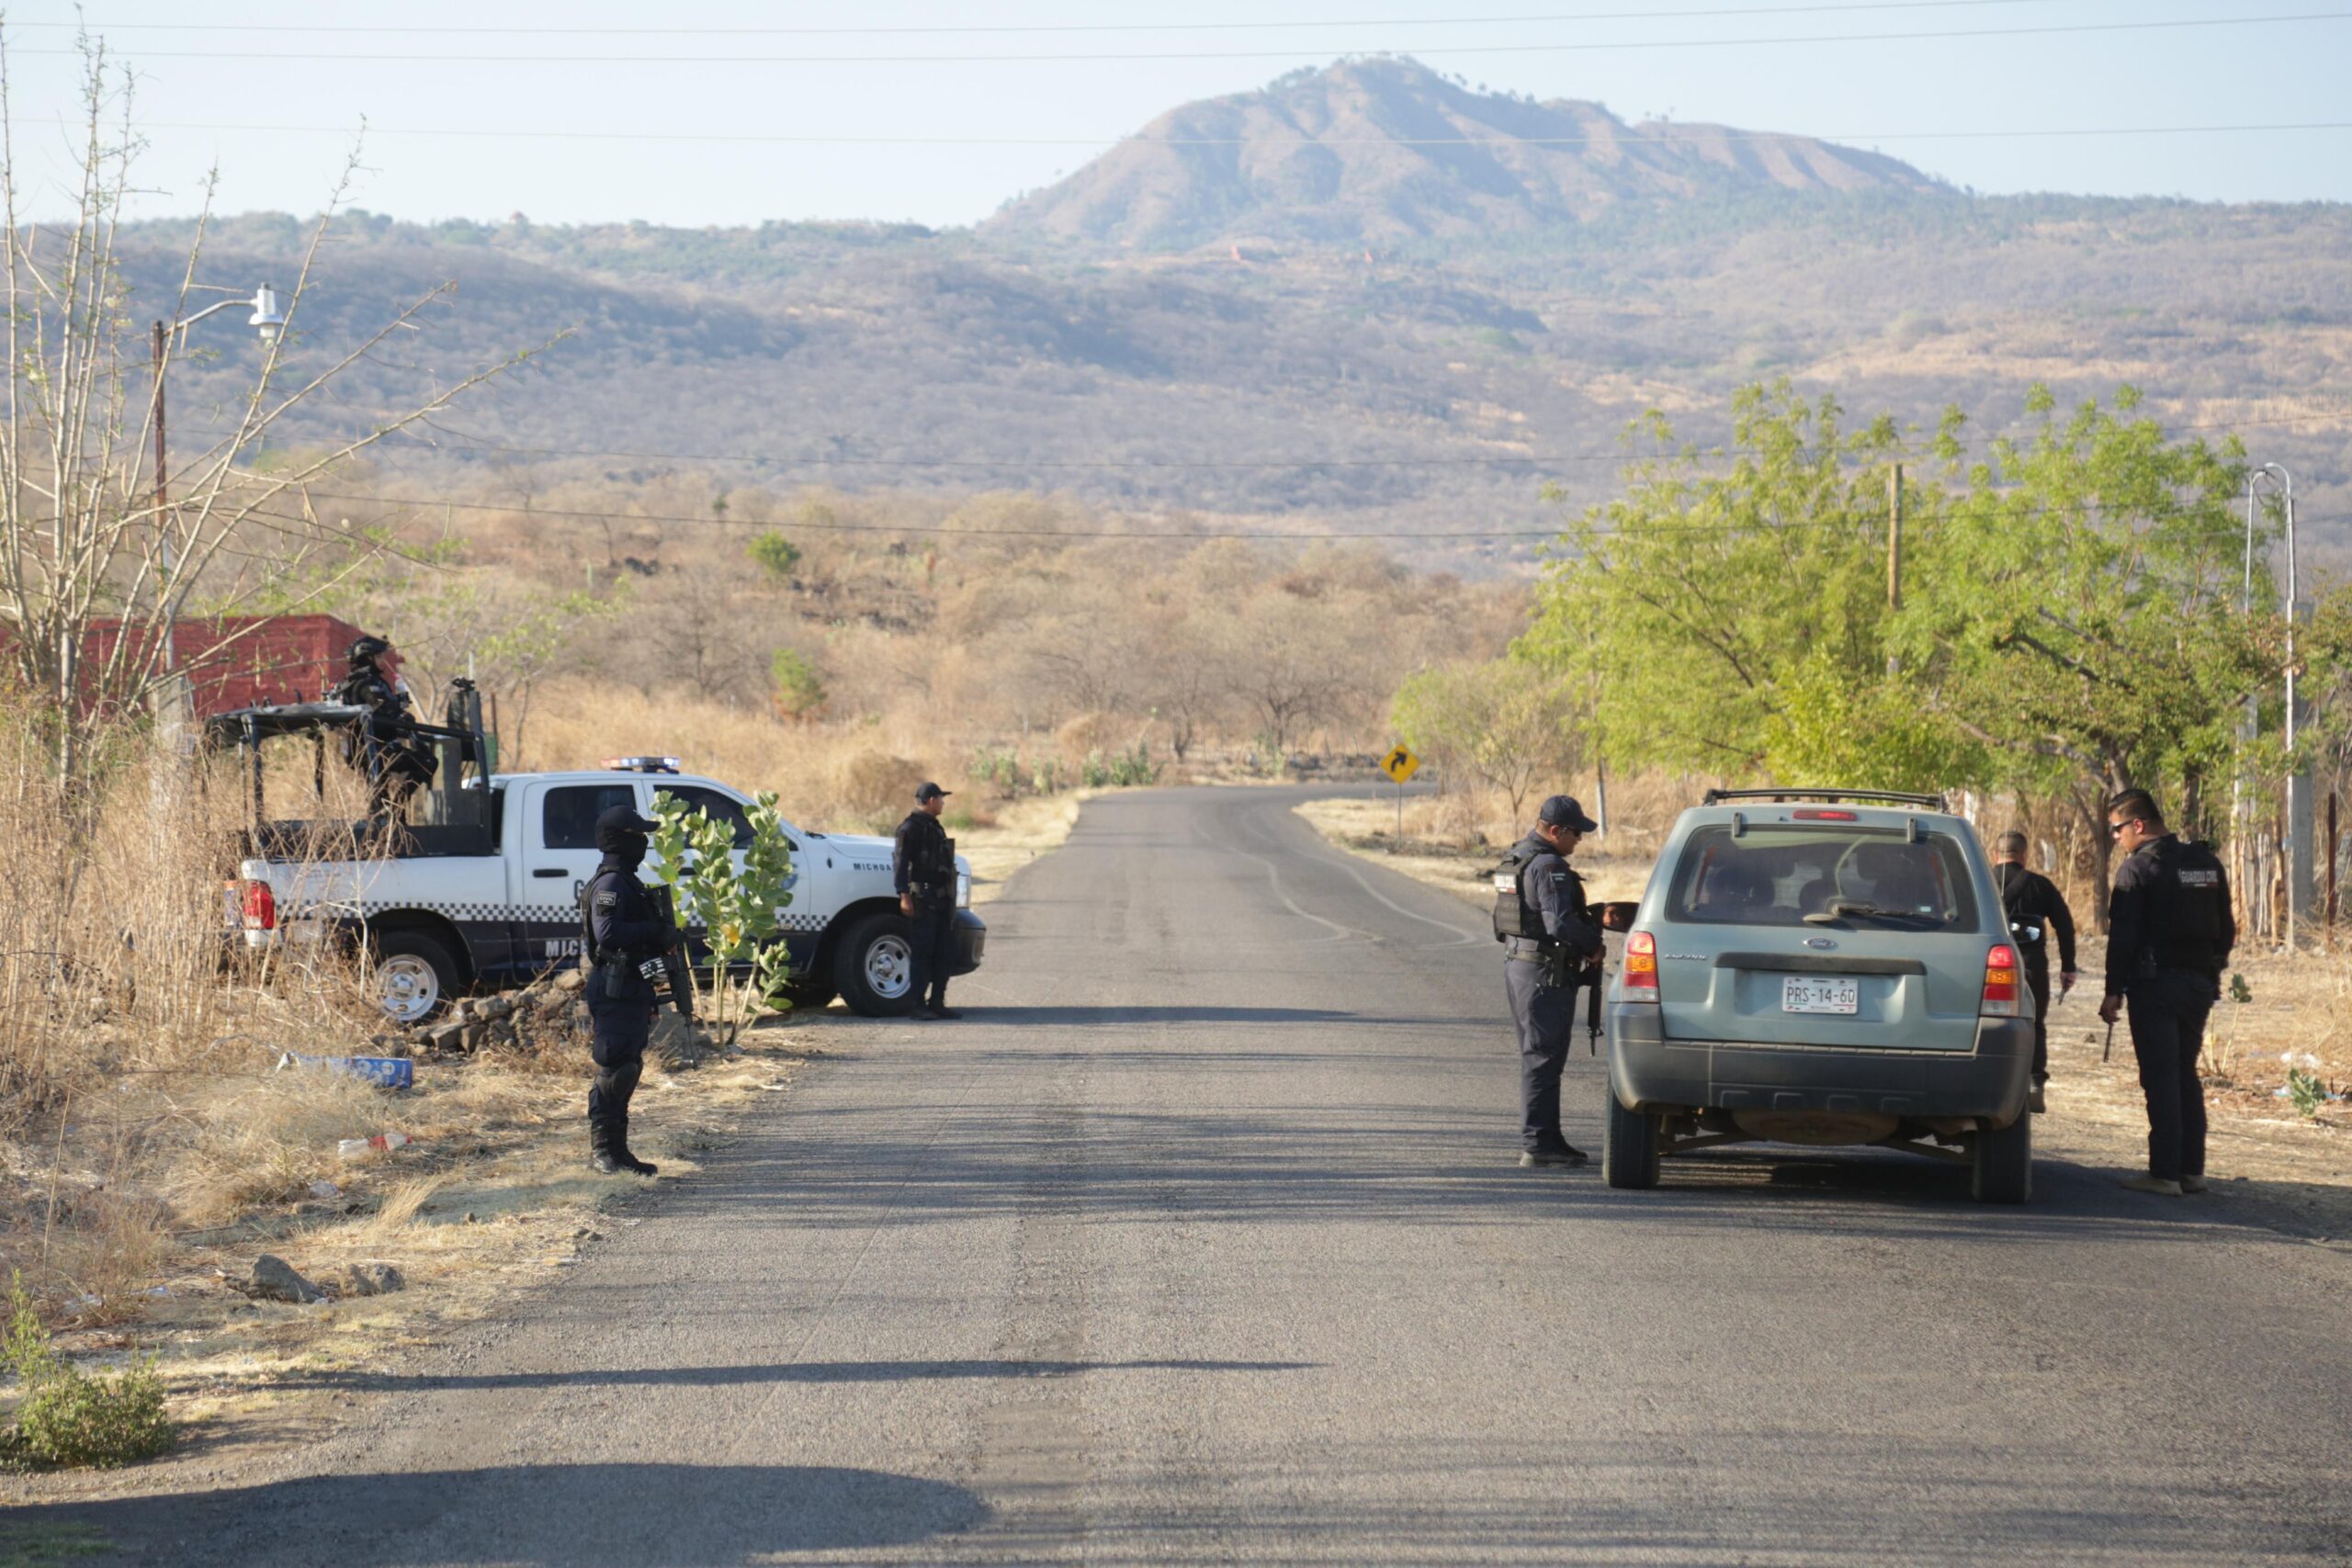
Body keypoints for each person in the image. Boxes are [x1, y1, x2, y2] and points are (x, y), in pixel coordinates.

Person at [2098, 790, 2235, 1197]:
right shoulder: (2206, 863)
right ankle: (2192, 1171)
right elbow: (2226, 928)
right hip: (2198, 985)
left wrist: (2112, 991)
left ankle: (2164, 1174)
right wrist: (2211, 973)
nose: (2116, 838)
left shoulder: (2138, 870)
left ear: (2137, 825)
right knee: (2184, 1075)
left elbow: (2122, 939)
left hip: (2154, 984)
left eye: (2116, 829)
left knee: (2160, 1078)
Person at [1497, 794, 1605, 1168]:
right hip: (1544, 972)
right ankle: (1538, 1143)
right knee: (1543, 1057)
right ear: (1555, 830)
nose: (1580, 840)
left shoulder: (1517, 856)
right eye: (1576, 833)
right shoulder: (1547, 866)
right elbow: (1559, 922)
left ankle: (1549, 1137)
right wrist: (1593, 945)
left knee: (1541, 1056)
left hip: (1521, 966)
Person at [580, 805, 675, 1177]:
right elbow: (608, 935)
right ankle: (602, 1152)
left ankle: (619, 1153)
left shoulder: (626, 880)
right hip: (614, 987)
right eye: (639, 835)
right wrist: (653, 931)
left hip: (631, 985)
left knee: (628, 1067)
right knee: (614, 1068)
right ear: (622, 840)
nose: (645, 842)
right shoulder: (611, 884)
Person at [1993, 829, 2078, 1113]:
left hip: (1991, 965)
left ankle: (1992, 1077)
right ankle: (2034, 1083)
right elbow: (2065, 925)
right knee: (2035, 1023)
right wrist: (2068, 966)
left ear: (1996, 855)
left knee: (1990, 1022)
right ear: (2024, 855)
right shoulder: (2040, 885)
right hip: (2032, 964)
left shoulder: (1982, 881)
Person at [333, 635, 435, 817]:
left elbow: (382, 708)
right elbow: (383, 707)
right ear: (367, 658)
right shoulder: (367, 683)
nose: (382, 661)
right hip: (374, 750)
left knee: (379, 797)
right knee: (428, 762)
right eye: (379, 657)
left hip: (365, 750)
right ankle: (395, 810)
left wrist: (397, 706)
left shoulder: (353, 682)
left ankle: (388, 816)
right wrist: (400, 712)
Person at [893, 781, 961, 1021]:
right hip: (922, 899)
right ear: (931, 800)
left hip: (941, 899)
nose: (943, 803)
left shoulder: (934, 827)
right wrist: (903, 895)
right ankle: (917, 1004)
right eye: (941, 799)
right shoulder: (909, 828)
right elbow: (900, 865)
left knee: (944, 952)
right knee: (922, 953)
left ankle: (937, 1002)